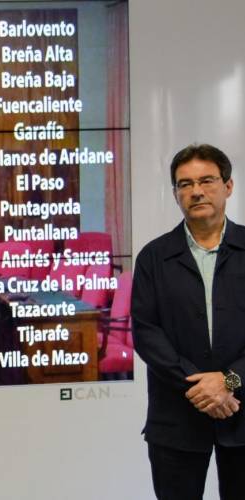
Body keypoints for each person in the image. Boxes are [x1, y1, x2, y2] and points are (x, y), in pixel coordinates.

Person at [132, 144, 245, 500]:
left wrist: (229, 381)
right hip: (176, 419)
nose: (196, 191)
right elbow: (147, 333)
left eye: (207, 180)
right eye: (185, 184)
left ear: (228, 186)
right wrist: (202, 387)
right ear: (176, 194)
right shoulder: (154, 256)